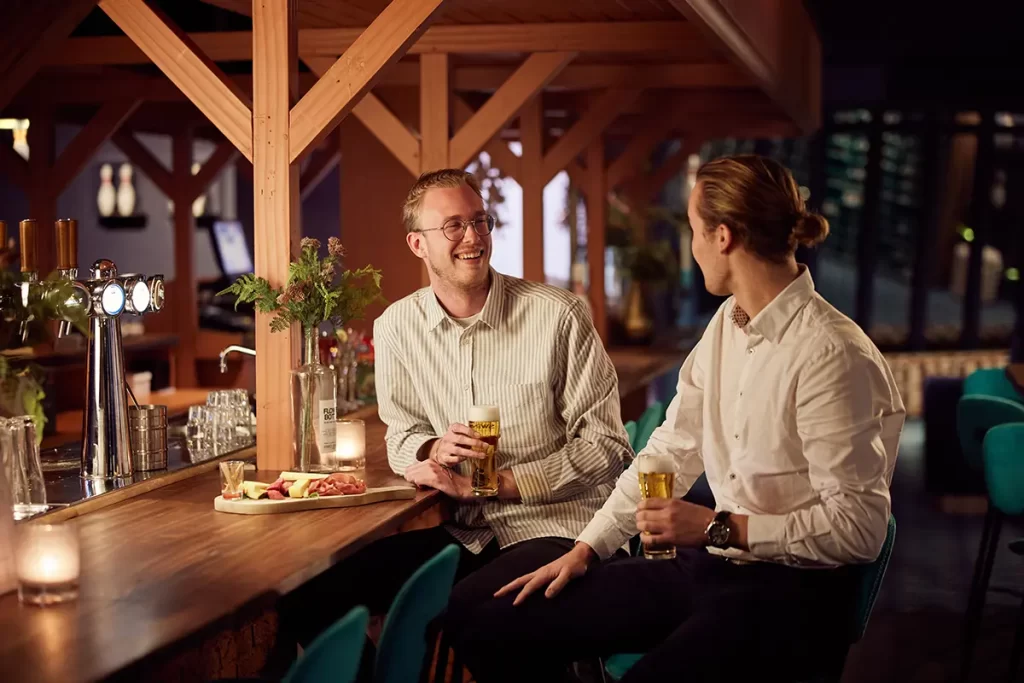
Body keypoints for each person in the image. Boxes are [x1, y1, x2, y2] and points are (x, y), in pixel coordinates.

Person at [447, 155, 907, 683]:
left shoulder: (832, 353)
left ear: (724, 237)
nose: (690, 246)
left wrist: (717, 526)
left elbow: (859, 531)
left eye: (693, 230)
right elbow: (669, 448)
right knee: (491, 628)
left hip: (790, 597)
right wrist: (587, 548)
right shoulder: (728, 323)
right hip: (711, 569)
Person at [274, 169, 630, 675]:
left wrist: (503, 484)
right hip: (469, 534)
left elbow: (608, 446)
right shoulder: (396, 327)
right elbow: (402, 432)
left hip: (559, 528)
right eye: (455, 226)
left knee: (485, 616)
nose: (474, 237)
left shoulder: (559, 314)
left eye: (480, 222)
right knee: (307, 596)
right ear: (417, 244)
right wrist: (431, 451)